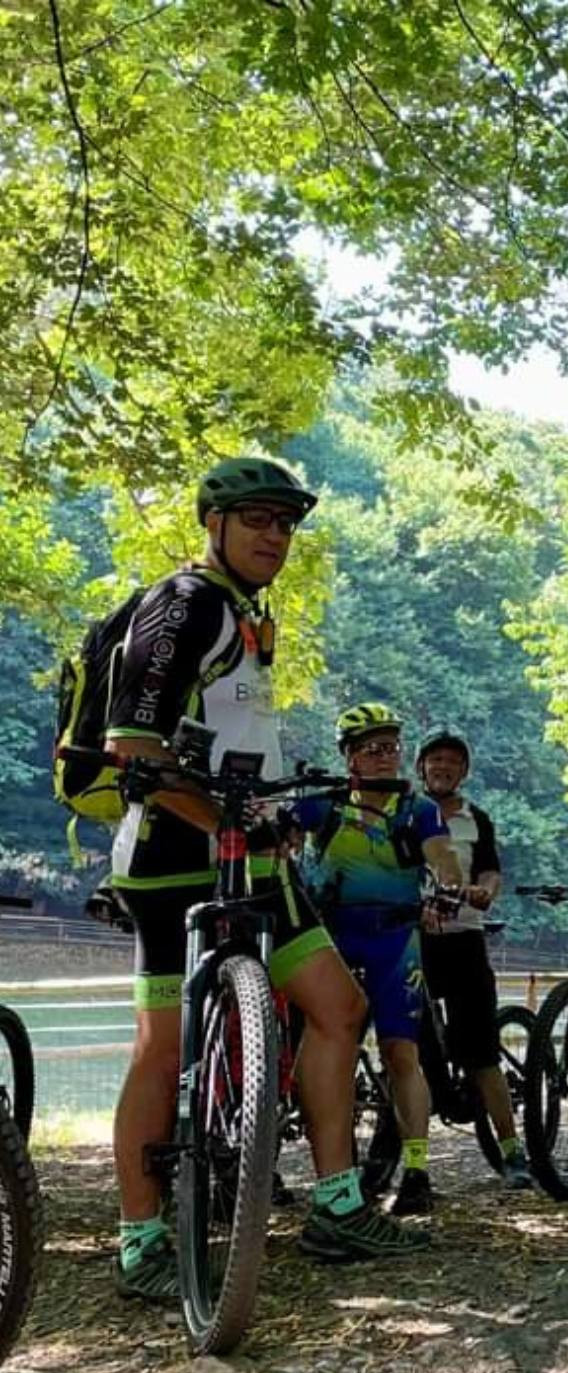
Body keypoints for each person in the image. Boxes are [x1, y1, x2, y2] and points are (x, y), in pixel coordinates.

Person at [105, 458, 426, 1299]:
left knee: (339, 1007)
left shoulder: (245, 612)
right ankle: (141, 1241)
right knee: (161, 1046)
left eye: (285, 523)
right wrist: (218, 818)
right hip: (171, 860)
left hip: (252, 857)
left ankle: (337, 1204)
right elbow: (131, 745)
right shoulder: (186, 602)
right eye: (256, 519)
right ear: (213, 524)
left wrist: (262, 821)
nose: (275, 536)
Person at [289, 703, 463, 1217]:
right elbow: (283, 839)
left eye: (392, 748)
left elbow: (442, 855)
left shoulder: (417, 809)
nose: (386, 757)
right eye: (373, 749)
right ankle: (334, 1172)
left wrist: (451, 885)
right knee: (329, 1053)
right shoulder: (325, 803)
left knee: (401, 1053)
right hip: (332, 940)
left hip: (395, 939)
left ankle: (417, 1171)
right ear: (349, 757)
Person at [413, 726, 534, 1190]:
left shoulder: (476, 817)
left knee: (482, 1053)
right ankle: (411, 1165)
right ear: (421, 767)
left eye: (452, 761)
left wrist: (485, 891)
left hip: (464, 937)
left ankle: (512, 1153)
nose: (443, 767)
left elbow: (489, 869)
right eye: (435, 760)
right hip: (414, 942)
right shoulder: (405, 811)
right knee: (409, 1051)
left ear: (463, 771)